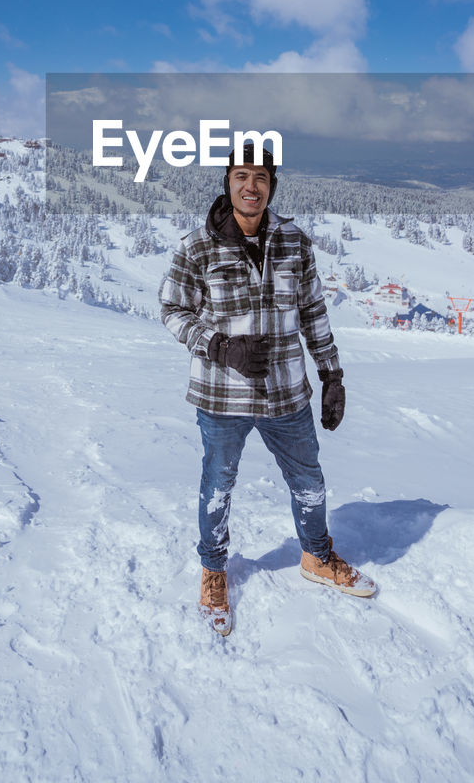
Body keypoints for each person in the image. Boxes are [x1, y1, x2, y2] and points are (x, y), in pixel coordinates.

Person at [159, 144, 375, 635]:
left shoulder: (295, 242)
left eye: (260, 176)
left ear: (272, 183)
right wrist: (217, 346)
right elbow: (172, 310)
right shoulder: (197, 247)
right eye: (241, 175)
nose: (250, 185)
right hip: (221, 396)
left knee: (309, 482)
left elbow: (313, 313)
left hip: (285, 394)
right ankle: (214, 570)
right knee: (217, 486)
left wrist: (332, 375)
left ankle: (317, 556)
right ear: (227, 181)